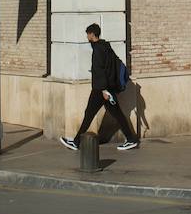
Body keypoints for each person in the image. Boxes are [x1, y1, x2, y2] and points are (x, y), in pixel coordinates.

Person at [59, 24, 138, 152]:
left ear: (92, 34)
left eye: (88, 34)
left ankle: (76, 142)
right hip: (107, 88)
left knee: (89, 114)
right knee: (117, 114)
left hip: (101, 90)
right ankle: (131, 139)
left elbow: (100, 71)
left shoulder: (98, 51)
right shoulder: (105, 46)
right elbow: (111, 65)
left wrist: (104, 90)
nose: (86, 36)